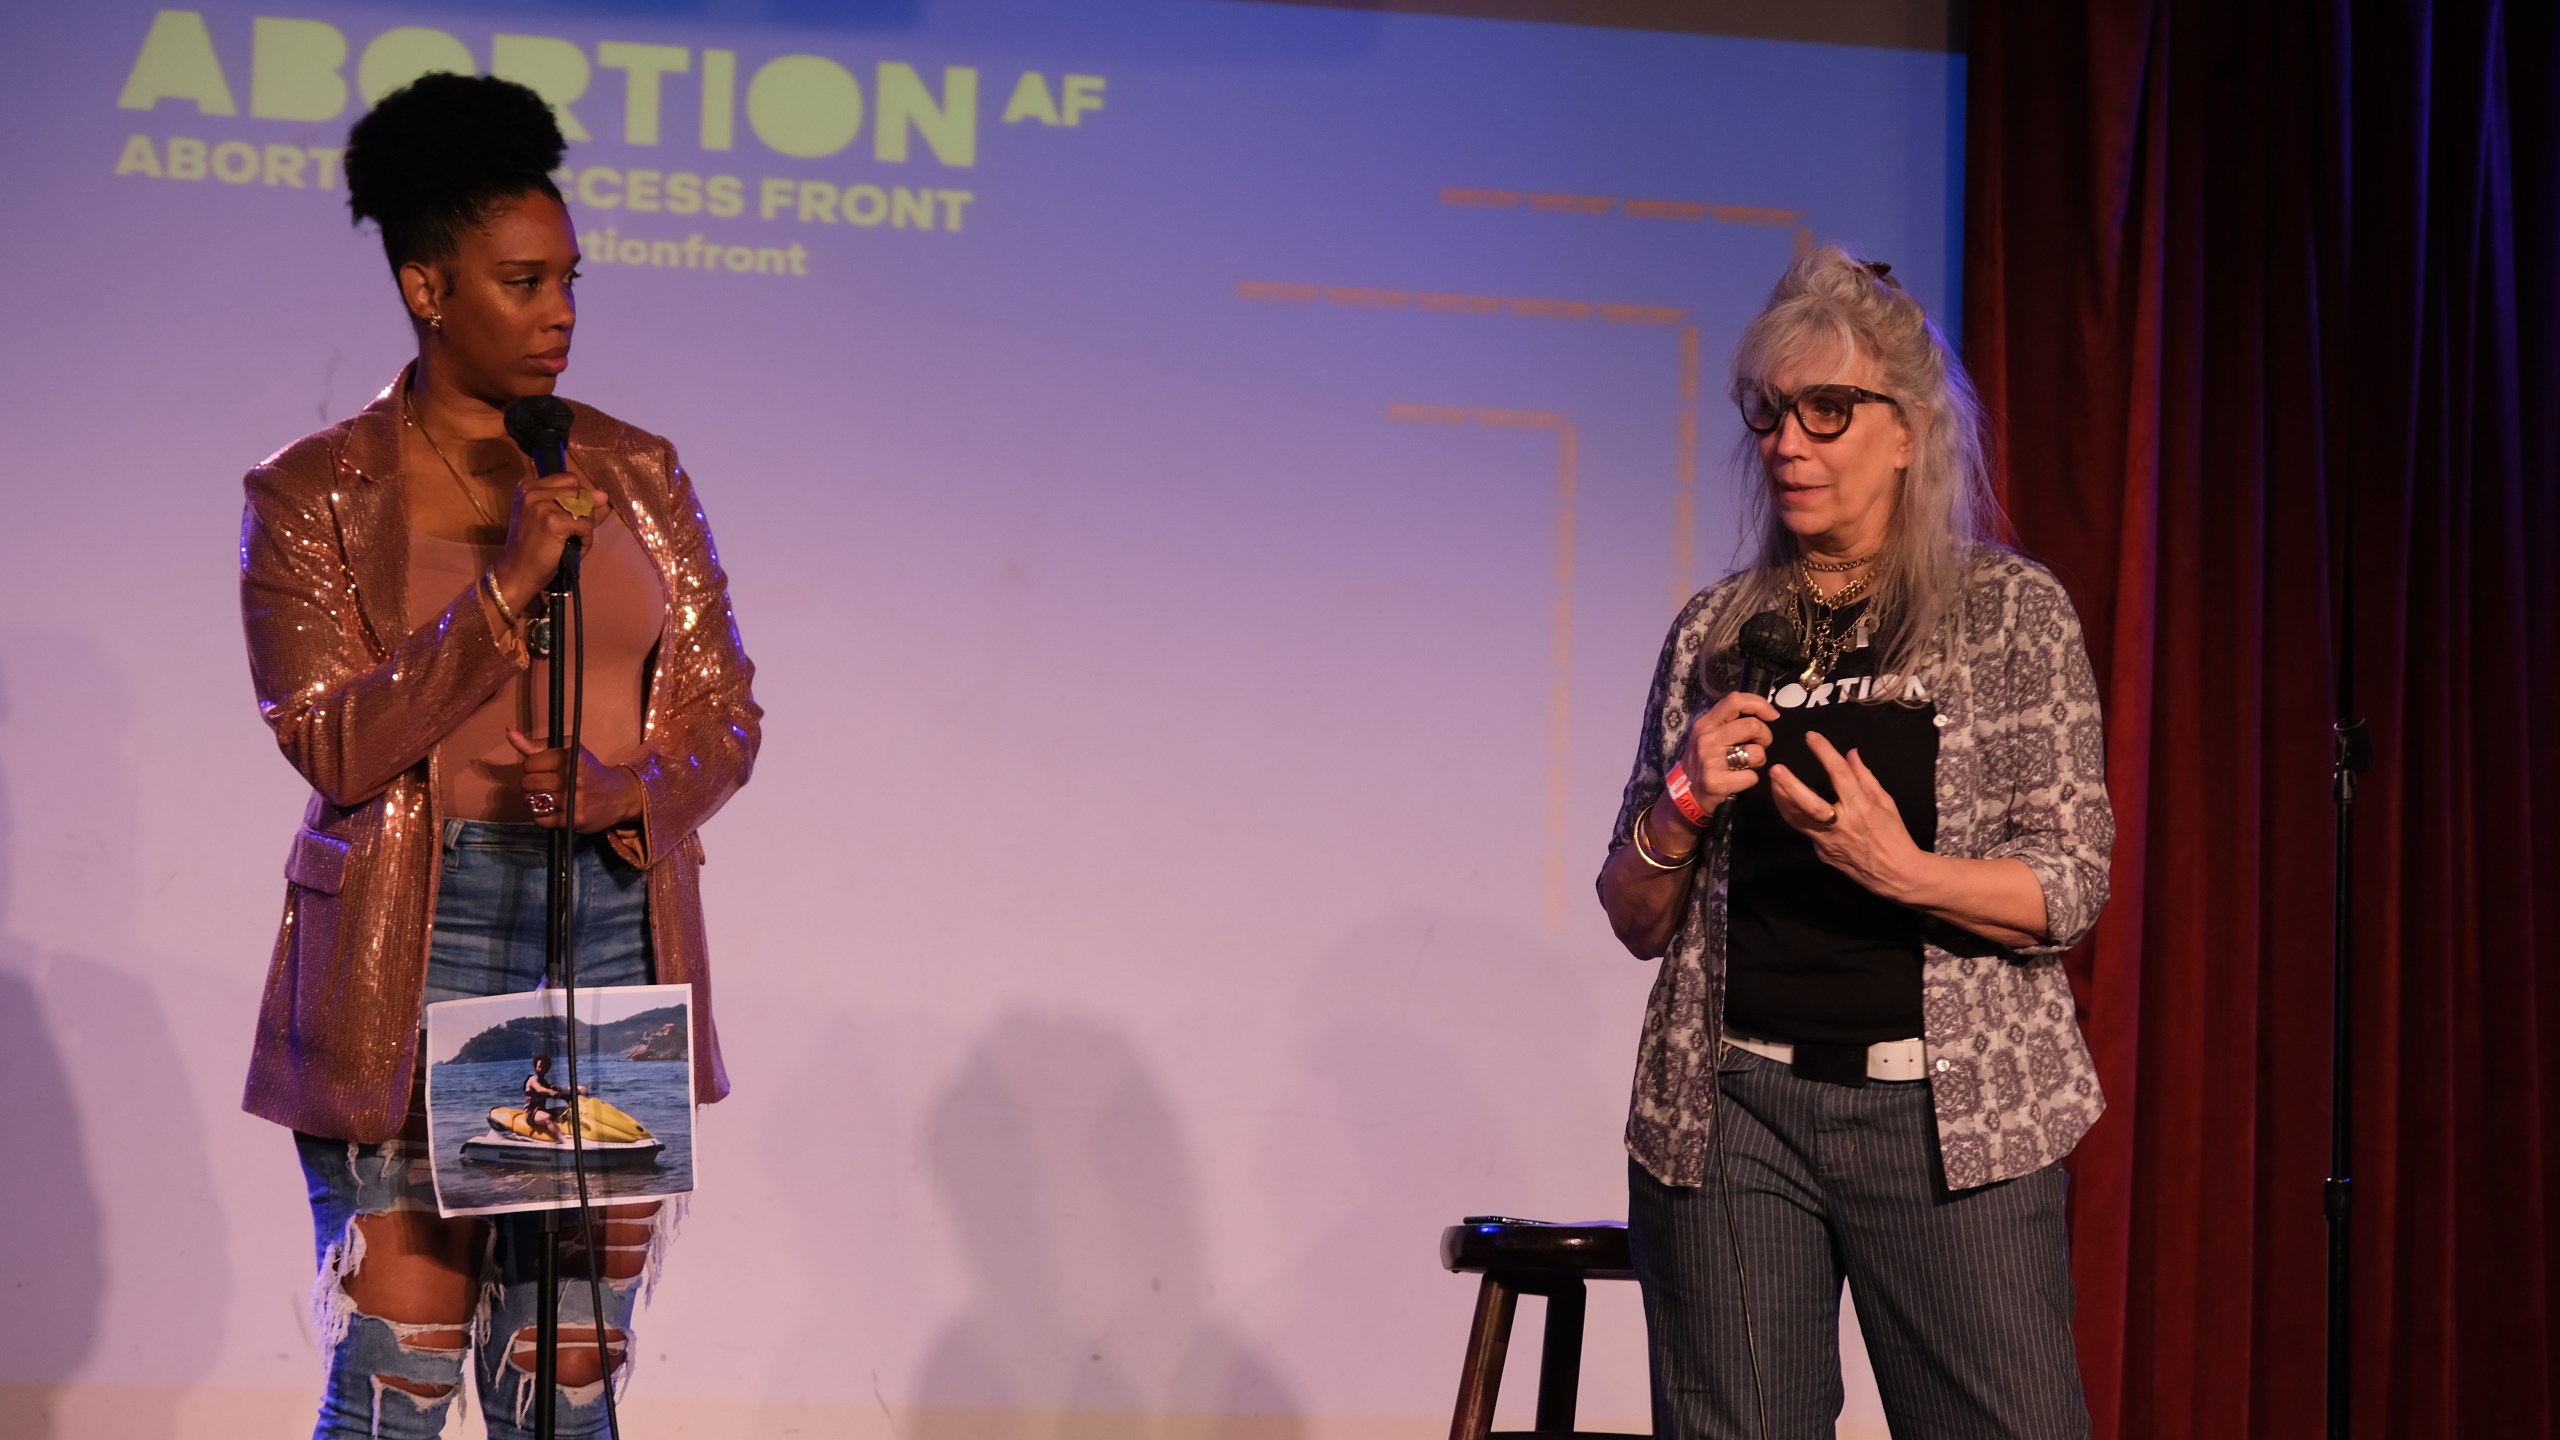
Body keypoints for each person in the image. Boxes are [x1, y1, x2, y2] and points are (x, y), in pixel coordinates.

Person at [237, 73, 761, 1438]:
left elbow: (727, 710)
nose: (561, 314)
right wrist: (504, 593)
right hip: (418, 933)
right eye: (523, 283)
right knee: (400, 1379)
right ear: (428, 286)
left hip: (605, 923)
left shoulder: (638, 470)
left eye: (571, 281)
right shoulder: (311, 494)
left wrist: (629, 791)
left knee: (564, 1379)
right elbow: (331, 742)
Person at [1594, 247, 2111, 1439]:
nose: (1789, 442)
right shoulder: (1716, 631)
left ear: (1908, 431)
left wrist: (1902, 871)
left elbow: (2071, 882)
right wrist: (1676, 806)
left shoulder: (2007, 615)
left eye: (1826, 411)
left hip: (1950, 1122)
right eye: (1770, 415)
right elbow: (1631, 913)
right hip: (1734, 1113)